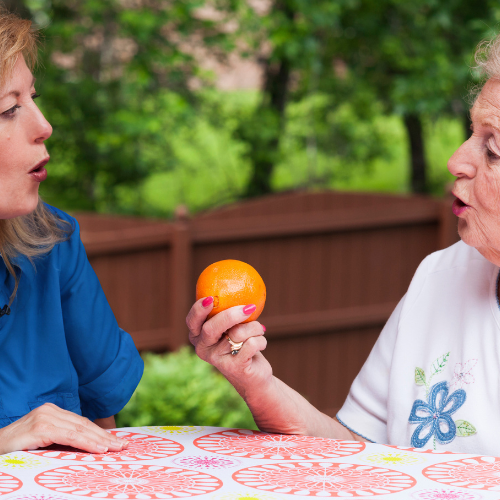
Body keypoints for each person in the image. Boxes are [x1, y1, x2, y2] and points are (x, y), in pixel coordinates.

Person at [187, 34, 500, 455]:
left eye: (493, 149)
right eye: (471, 132)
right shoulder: (441, 276)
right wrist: (253, 379)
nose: (457, 160)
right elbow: (358, 451)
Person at [0, 9, 143, 454]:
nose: (44, 126)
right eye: (9, 108)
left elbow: (103, 421)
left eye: (33, 99)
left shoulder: (53, 240)